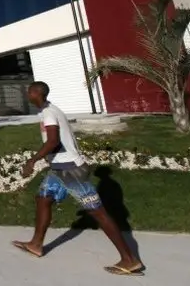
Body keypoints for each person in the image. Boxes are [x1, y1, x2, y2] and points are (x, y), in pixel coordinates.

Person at [12, 82, 144, 276]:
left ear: (35, 93)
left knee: (98, 213)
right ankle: (36, 244)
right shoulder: (48, 110)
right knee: (43, 199)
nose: (27, 95)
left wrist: (33, 160)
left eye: (28, 91)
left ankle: (130, 260)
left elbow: (53, 141)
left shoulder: (49, 113)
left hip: (71, 171)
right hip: (59, 170)